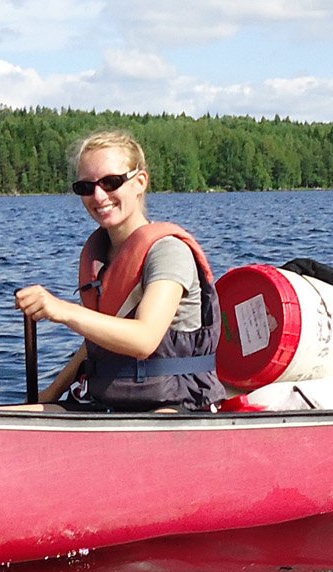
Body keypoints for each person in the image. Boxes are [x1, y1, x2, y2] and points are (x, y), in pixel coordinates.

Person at [14, 130, 224, 411]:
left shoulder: (168, 252)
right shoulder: (101, 257)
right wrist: (48, 397)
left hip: (175, 404)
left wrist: (61, 310)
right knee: (4, 418)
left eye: (111, 182)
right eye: (86, 187)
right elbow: (95, 346)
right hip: (109, 402)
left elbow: (145, 339)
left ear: (140, 182)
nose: (98, 196)